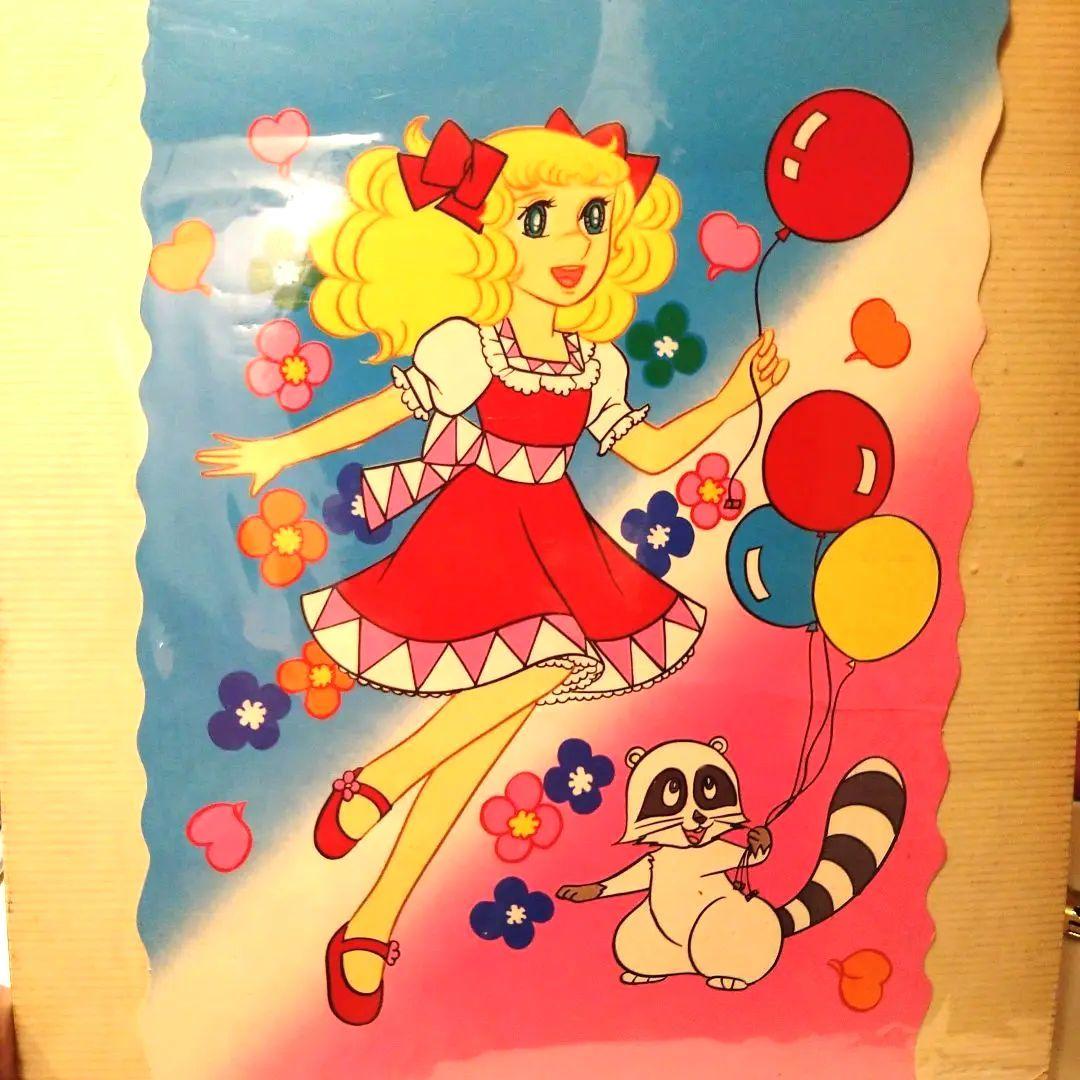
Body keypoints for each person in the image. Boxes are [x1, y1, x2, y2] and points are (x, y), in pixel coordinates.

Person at [196, 109, 788, 1025]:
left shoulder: (594, 365)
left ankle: (370, 917)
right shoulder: (468, 345)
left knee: (478, 752)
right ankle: (381, 786)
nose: (572, 245)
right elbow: (388, 412)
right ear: (488, 239)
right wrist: (284, 450)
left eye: (593, 219)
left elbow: (650, 451)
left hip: (559, 542)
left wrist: (733, 398)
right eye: (538, 219)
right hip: (476, 535)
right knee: (546, 671)